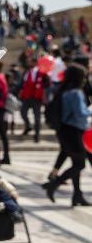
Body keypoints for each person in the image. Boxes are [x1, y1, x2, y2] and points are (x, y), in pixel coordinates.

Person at [42, 64, 91, 206]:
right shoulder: (76, 93)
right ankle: (54, 185)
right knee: (80, 165)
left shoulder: (63, 91)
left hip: (66, 131)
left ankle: (77, 195)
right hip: (75, 131)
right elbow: (81, 113)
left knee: (76, 164)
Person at [19, 55, 50, 142]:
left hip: (36, 98)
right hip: (26, 97)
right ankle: (28, 126)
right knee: (23, 112)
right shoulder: (26, 72)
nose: (28, 63)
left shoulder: (42, 72)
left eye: (30, 62)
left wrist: (42, 90)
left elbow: (47, 83)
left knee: (37, 118)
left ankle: (37, 136)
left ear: (34, 62)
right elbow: (21, 84)